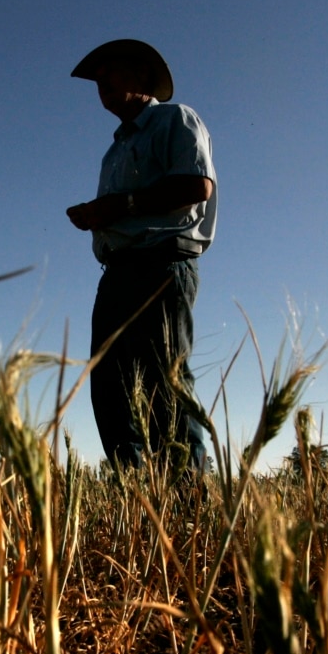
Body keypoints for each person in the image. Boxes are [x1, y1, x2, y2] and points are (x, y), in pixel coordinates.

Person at [66, 39, 216, 474]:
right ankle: (137, 499)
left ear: (143, 78)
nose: (104, 84)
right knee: (109, 388)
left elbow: (195, 185)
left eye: (115, 73)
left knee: (163, 383)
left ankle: (189, 500)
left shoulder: (175, 119)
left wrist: (118, 207)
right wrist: (97, 217)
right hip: (117, 271)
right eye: (99, 80)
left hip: (162, 265)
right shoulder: (113, 150)